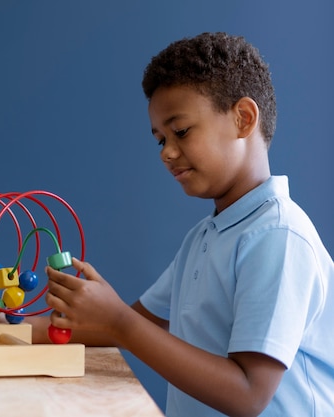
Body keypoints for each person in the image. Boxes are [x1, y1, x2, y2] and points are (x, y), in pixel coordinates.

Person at [41, 32, 334, 416]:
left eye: (180, 132)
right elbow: (133, 325)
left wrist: (117, 320)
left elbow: (247, 395)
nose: (167, 152)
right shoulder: (204, 236)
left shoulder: (277, 237)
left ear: (243, 118)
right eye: (160, 139)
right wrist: (0, 324)